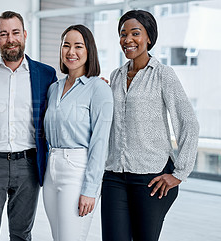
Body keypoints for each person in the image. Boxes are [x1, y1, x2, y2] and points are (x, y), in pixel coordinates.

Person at [101, 10, 199, 241]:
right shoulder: (115, 76)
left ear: (149, 38)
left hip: (151, 179)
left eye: (135, 33)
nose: (128, 40)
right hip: (114, 175)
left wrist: (179, 173)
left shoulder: (163, 75)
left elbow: (188, 122)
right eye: (123, 34)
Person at [0, 11, 57, 241]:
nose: (10, 39)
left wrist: (96, 82)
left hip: (28, 165)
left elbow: (65, 101)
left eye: (15, 32)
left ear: (24, 34)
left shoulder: (46, 74)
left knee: (21, 234)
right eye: (3, 34)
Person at [43, 24, 113, 241]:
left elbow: (100, 143)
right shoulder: (54, 87)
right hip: (51, 169)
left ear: (89, 51)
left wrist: (90, 189)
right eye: (66, 45)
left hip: (77, 171)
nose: (71, 52)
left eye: (78, 46)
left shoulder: (98, 88)